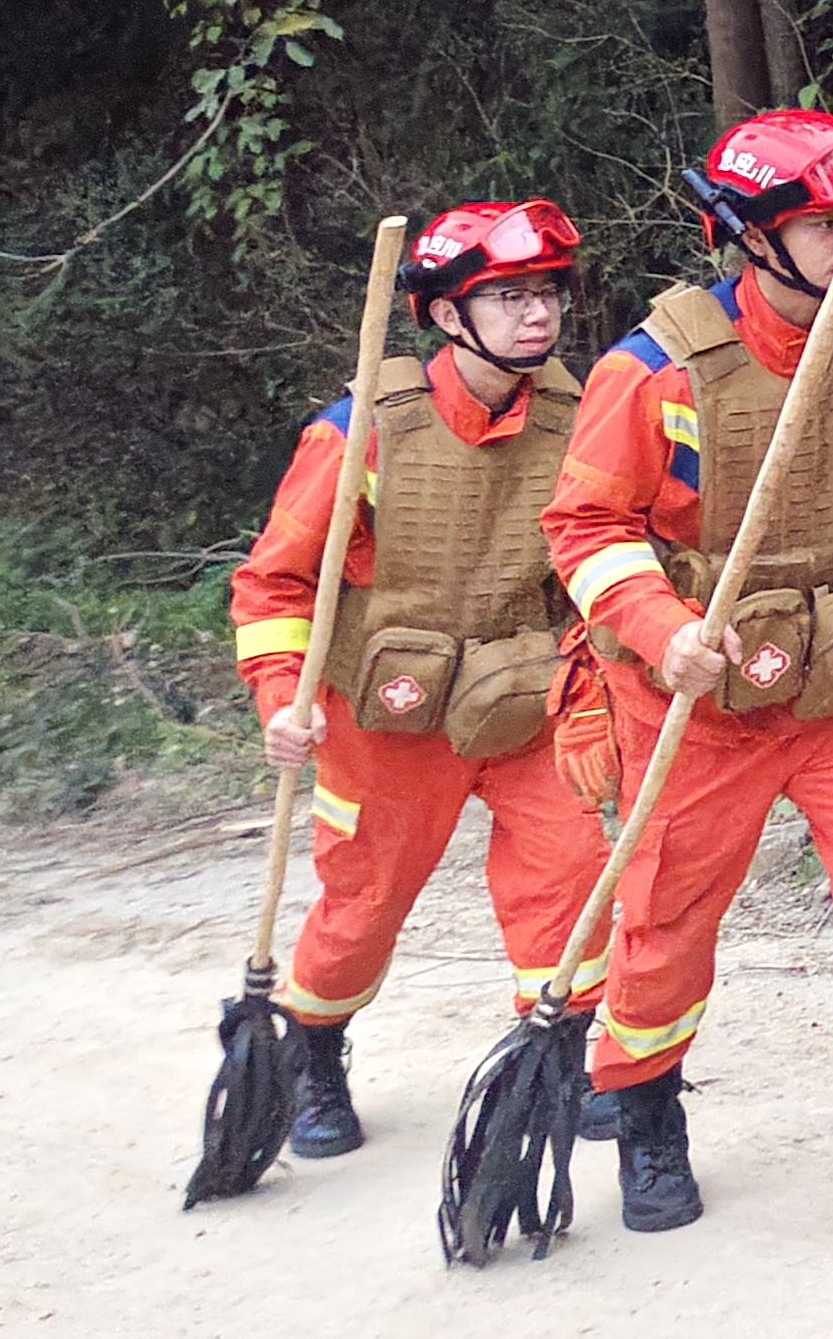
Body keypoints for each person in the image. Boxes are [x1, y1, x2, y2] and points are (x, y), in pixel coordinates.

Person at [537, 108, 833, 1238]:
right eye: (827, 222)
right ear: (754, 236)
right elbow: (585, 525)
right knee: (667, 918)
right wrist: (658, 630)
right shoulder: (654, 368)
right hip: (695, 691)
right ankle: (645, 1121)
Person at [227, 200, 611, 1158]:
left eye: (549, 294)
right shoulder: (362, 429)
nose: (540, 316)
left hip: (526, 696)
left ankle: (556, 1059)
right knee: (365, 900)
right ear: (447, 316)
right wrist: (284, 700)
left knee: (573, 878)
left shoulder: (584, 418)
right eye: (510, 297)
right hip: (386, 713)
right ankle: (314, 1054)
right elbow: (274, 580)